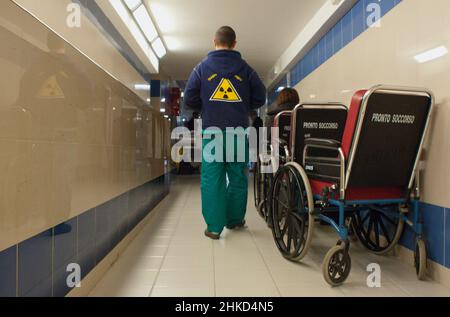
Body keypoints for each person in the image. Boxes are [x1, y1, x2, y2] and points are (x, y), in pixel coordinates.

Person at [184, 26, 266, 240]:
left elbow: (189, 98)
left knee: (212, 178)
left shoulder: (201, 68)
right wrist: (244, 104)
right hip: (238, 132)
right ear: (234, 43)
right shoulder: (246, 69)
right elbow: (260, 97)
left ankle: (214, 227)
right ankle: (235, 220)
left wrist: (205, 106)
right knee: (238, 177)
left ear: (214, 41)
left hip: (212, 132)